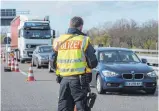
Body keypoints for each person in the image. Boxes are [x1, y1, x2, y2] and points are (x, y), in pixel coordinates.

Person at [53, 16, 97, 111]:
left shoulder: (58, 40)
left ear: (70, 25)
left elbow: (53, 62)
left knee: (64, 107)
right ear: (81, 27)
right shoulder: (83, 40)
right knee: (81, 107)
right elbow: (93, 62)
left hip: (64, 81)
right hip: (79, 81)